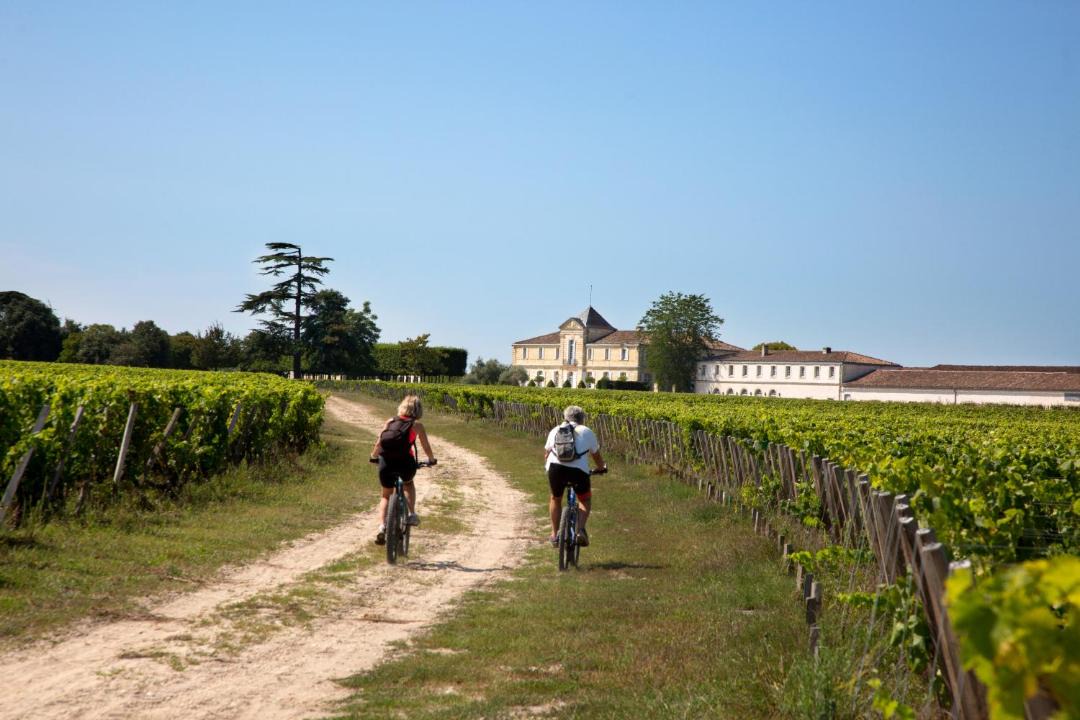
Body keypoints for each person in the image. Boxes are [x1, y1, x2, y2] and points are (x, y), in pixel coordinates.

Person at [371, 395, 436, 545]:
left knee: (386, 496)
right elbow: (426, 446)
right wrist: (431, 460)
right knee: (408, 484)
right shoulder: (417, 425)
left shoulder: (391, 421)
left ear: (402, 407)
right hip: (405, 463)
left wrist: (374, 457)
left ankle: (382, 527)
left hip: (386, 463)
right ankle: (411, 514)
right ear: (418, 410)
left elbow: (379, 443)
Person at [544, 405, 606, 547]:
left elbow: (546, 453)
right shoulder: (587, 431)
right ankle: (579, 531)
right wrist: (601, 468)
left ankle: (554, 535)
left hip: (556, 469)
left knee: (555, 498)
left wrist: (548, 468)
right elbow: (596, 456)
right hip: (578, 472)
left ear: (565, 418)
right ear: (582, 418)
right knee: (584, 500)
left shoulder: (556, 430)